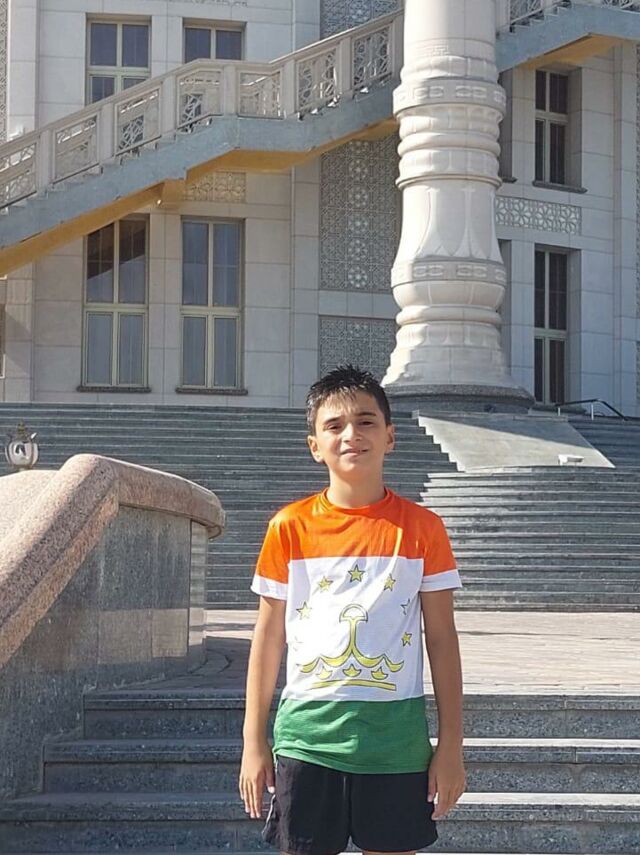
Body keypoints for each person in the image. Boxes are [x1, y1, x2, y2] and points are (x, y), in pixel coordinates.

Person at [239, 364, 466, 855]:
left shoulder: (423, 529)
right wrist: (253, 741)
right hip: (307, 740)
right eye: (334, 425)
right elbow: (268, 638)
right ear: (314, 446)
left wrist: (451, 746)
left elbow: (442, 639)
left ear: (390, 437)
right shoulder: (289, 528)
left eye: (366, 422)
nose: (351, 435)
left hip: (395, 744)